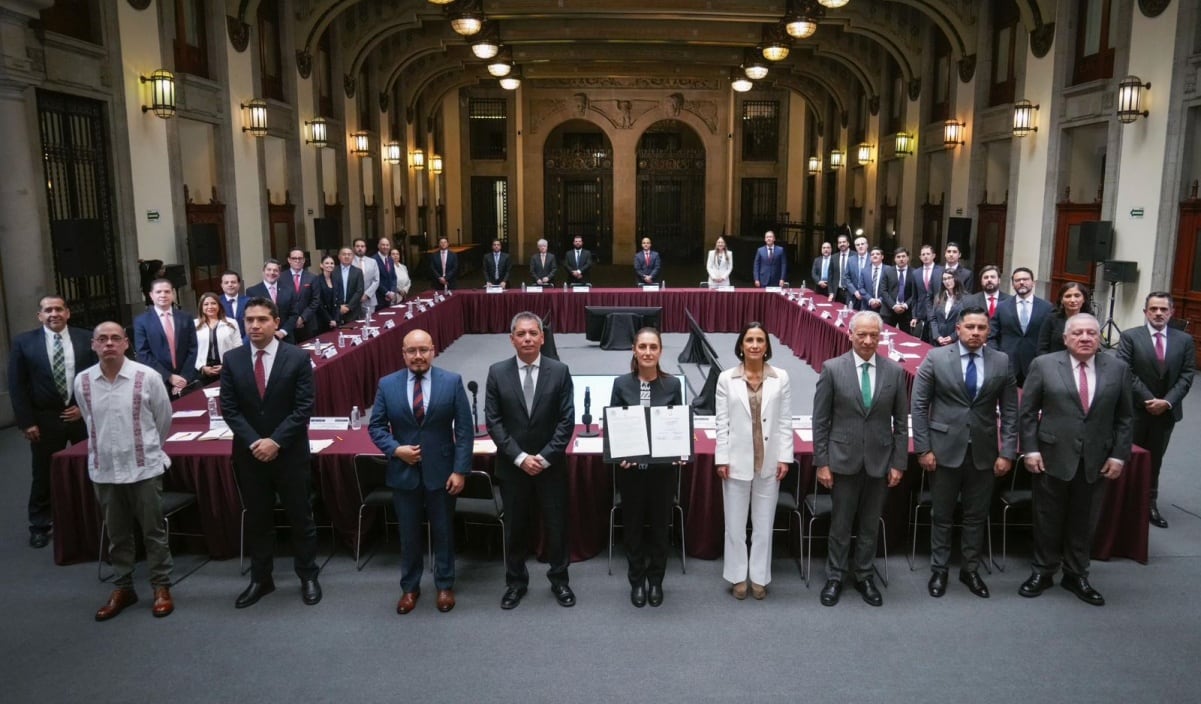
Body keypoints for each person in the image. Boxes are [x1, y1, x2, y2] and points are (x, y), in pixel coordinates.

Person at [1018, 313, 1133, 606]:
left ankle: (1076, 574)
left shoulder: (1118, 369)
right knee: (1047, 518)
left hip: (1096, 458)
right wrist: (1030, 449)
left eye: (1091, 333)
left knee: (1085, 521)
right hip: (1051, 456)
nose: (1085, 338)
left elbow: (1125, 418)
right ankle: (1043, 571)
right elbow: (1027, 412)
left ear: (1100, 338)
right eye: (1078, 333)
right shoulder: (1043, 365)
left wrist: (1119, 456)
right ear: (1065, 338)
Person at [220, 297, 321, 609]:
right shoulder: (233, 359)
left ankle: (308, 574)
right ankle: (261, 578)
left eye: (262, 319)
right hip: (250, 455)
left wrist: (275, 441)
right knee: (258, 519)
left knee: (300, 515)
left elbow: (304, 407)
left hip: (289, 452)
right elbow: (230, 409)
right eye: (249, 320)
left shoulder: (297, 358)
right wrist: (255, 442)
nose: (255, 326)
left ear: (276, 322)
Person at [911, 307, 1018, 599]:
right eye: (970, 327)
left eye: (981, 328)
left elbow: (1010, 410)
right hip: (943, 450)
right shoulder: (936, 357)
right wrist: (923, 448)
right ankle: (939, 569)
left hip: (985, 451)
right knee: (942, 514)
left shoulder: (1001, 361)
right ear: (958, 329)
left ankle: (970, 569)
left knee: (976, 515)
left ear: (989, 331)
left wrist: (1008, 451)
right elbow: (918, 406)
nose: (975, 332)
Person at [76, 322, 176, 621]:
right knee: (117, 534)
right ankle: (123, 587)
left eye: (115, 338)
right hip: (105, 469)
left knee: (153, 531)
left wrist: (147, 448)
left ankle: (161, 586)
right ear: (93, 345)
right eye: (102, 339)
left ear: (126, 343)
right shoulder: (83, 381)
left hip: (143, 467)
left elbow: (163, 419)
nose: (109, 343)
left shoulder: (147, 377)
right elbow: (88, 420)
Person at [369, 329, 473, 614]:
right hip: (404, 473)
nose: (418, 356)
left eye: (423, 350)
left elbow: (465, 430)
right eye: (412, 351)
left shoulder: (451, 382)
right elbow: (376, 427)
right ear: (403, 354)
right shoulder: (387, 384)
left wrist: (460, 470)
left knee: (443, 532)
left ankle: (444, 585)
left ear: (433, 350)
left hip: (442, 472)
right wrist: (395, 449)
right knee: (408, 535)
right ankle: (410, 588)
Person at [812, 311, 908, 607]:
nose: (867, 341)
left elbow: (901, 423)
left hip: (880, 461)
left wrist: (899, 463)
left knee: (869, 525)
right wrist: (822, 462)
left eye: (873, 335)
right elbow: (820, 421)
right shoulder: (832, 369)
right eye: (862, 334)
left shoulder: (894, 372)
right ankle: (835, 576)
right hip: (843, 460)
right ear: (850, 334)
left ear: (880, 337)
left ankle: (864, 575)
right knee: (840, 525)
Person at [485, 312, 576, 609]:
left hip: (551, 468)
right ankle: (515, 583)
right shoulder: (497, 372)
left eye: (533, 333)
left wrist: (545, 458)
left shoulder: (559, 371)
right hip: (513, 468)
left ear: (542, 338)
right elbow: (494, 421)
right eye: (521, 334)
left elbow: (567, 420)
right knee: (515, 529)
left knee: (557, 527)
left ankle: (560, 580)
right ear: (511, 339)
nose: (527, 339)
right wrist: (521, 457)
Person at [7, 295, 97, 548]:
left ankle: (92, 519)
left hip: (81, 417)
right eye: (48, 310)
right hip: (44, 419)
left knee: (90, 469)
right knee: (43, 473)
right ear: (40, 316)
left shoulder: (85, 338)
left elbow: (97, 377)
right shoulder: (24, 342)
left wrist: (84, 408)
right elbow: (17, 385)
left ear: (68, 313)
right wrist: (26, 422)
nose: (54, 314)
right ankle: (39, 525)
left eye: (58, 309)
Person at [715, 322, 792, 600]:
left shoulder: (780, 377)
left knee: (763, 525)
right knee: (735, 527)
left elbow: (784, 420)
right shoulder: (726, 378)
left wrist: (785, 456)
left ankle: (759, 577)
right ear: (741, 345)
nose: (755, 345)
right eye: (750, 340)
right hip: (736, 461)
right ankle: (737, 576)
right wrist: (721, 458)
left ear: (767, 346)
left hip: (768, 461)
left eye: (760, 340)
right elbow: (721, 423)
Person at [610, 328, 683, 608]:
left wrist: (679, 450)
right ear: (634, 349)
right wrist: (620, 455)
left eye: (653, 347)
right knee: (633, 530)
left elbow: (678, 424)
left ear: (660, 351)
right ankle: (637, 581)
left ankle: (656, 581)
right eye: (643, 346)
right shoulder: (621, 384)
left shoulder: (672, 385)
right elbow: (614, 426)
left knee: (660, 531)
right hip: (631, 473)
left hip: (662, 474)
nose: (648, 352)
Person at [1117, 292, 1196, 529]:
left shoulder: (1184, 340)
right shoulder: (1130, 336)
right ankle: (1121, 503)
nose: (1158, 313)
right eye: (1153, 309)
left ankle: (1149, 503)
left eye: (1163, 309)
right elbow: (1125, 370)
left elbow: (1187, 374)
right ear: (1145, 312)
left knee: (1155, 459)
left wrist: (1167, 402)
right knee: (1127, 456)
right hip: (1135, 410)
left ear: (1172, 312)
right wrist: (1150, 400)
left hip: (1166, 413)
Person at [133, 278, 198, 395]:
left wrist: (184, 377)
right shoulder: (141, 321)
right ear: (151, 295)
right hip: (158, 381)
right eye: (158, 292)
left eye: (167, 291)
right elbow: (143, 353)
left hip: (185, 380)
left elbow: (192, 348)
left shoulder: (186, 317)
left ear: (173, 293)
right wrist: (169, 377)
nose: (163, 295)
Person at [988, 267, 1051, 385]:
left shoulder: (1046, 307)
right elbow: (991, 335)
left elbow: (1049, 337)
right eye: (1017, 280)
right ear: (1013, 284)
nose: (1021, 282)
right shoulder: (1002, 307)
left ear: (1033, 282)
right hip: (1008, 363)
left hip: (1035, 364)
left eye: (1025, 279)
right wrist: (997, 356)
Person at [246, 259, 305, 342]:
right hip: (263, 338)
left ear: (279, 273)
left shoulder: (289, 290)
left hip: (286, 338)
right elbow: (252, 316)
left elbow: (294, 314)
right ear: (263, 272)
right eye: (269, 270)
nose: (272, 273)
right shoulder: (252, 291)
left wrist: (283, 332)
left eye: (275, 270)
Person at [193, 292, 242, 385]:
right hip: (202, 370)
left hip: (226, 368)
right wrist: (201, 367)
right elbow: (191, 350)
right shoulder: (194, 324)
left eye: (213, 303)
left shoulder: (231, 323)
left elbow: (238, 347)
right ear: (201, 307)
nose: (210, 307)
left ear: (219, 305)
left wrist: (225, 366)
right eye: (206, 304)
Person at [1037, 282, 1093, 355]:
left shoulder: (1090, 321)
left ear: (1084, 299)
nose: (1072, 300)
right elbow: (1042, 348)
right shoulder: (1051, 319)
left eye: (1077, 296)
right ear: (1061, 300)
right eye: (1068, 296)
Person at [282, 249, 320, 342]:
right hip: (288, 325)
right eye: (294, 258)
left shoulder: (312, 277)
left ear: (304, 260)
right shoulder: (281, 278)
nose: (297, 261)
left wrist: (303, 318)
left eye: (300, 258)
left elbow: (315, 300)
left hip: (308, 324)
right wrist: (293, 320)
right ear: (289, 260)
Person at [911, 244, 944, 340]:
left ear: (933, 256)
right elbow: (914, 296)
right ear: (920, 257)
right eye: (923, 254)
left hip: (937, 310)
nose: (925, 256)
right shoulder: (916, 273)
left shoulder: (941, 271)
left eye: (928, 254)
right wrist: (914, 316)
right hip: (922, 312)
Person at [858, 246, 898, 324]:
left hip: (884, 307)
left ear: (882, 257)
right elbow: (861, 288)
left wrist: (880, 300)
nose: (875, 256)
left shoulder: (889, 270)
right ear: (870, 257)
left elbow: (891, 289)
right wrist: (871, 300)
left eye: (877, 254)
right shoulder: (864, 270)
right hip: (867, 306)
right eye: (872, 254)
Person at [926, 271, 965, 346]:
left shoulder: (966, 298)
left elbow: (966, 322)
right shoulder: (939, 296)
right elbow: (933, 318)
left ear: (956, 278)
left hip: (956, 341)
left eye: (950, 278)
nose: (947, 281)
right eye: (944, 279)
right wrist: (937, 336)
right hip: (938, 341)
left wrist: (952, 337)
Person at [335, 247, 366, 322]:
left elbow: (359, 291)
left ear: (352, 257)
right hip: (337, 310)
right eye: (344, 254)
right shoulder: (333, 271)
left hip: (353, 310)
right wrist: (339, 307)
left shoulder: (358, 272)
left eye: (349, 254)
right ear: (339, 256)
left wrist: (349, 306)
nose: (347, 256)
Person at [352, 238, 381, 317]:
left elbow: (376, 280)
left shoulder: (373, 262)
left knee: (369, 322)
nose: (360, 248)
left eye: (362, 246)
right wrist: (357, 296)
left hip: (369, 299)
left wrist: (367, 294)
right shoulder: (349, 262)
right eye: (357, 246)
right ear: (354, 248)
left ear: (365, 248)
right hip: (353, 301)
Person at [842, 235, 871, 309]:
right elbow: (846, 278)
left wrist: (865, 294)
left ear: (867, 245)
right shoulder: (850, 260)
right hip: (853, 297)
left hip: (868, 298)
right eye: (857, 245)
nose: (860, 246)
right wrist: (855, 292)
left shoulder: (872, 259)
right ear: (855, 247)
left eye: (862, 244)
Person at [313, 254, 341, 330]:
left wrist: (335, 319)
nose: (330, 265)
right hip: (322, 319)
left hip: (335, 319)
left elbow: (338, 301)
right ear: (321, 265)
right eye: (327, 263)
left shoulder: (336, 280)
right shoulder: (317, 280)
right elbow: (319, 303)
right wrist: (329, 320)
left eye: (332, 263)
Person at [220, 270, 249, 336]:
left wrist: (244, 341)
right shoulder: (216, 302)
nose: (230, 285)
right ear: (222, 285)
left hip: (245, 340)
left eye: (233, 282)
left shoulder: (248, 302)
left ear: (239, 284)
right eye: (226, 283)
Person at [374, 237, 399, 308]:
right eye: (383, 245)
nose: (385, 247)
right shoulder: (373, 260)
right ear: (378, 246)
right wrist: (386, 293)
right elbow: (375, 280)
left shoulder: (390, 259)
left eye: (387, 245)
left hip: (390, 298)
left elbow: (394, 277)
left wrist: (392, 292)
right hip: (379, 298)